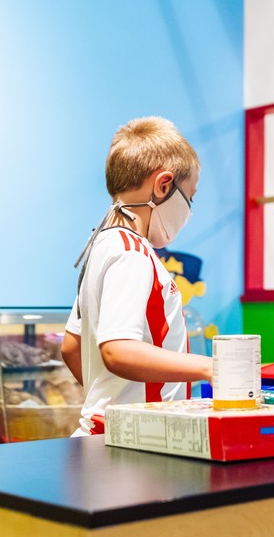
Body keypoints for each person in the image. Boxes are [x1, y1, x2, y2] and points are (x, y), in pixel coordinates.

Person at [62, 116, 212, 436]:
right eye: (190, 196)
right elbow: (118, 350)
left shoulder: (104, 244)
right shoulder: (132, 252)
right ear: (163, 186)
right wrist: (210, 367)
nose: (189, 209)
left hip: (110, 433)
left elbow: (71, 347)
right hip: (134, 439)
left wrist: (108, 398)